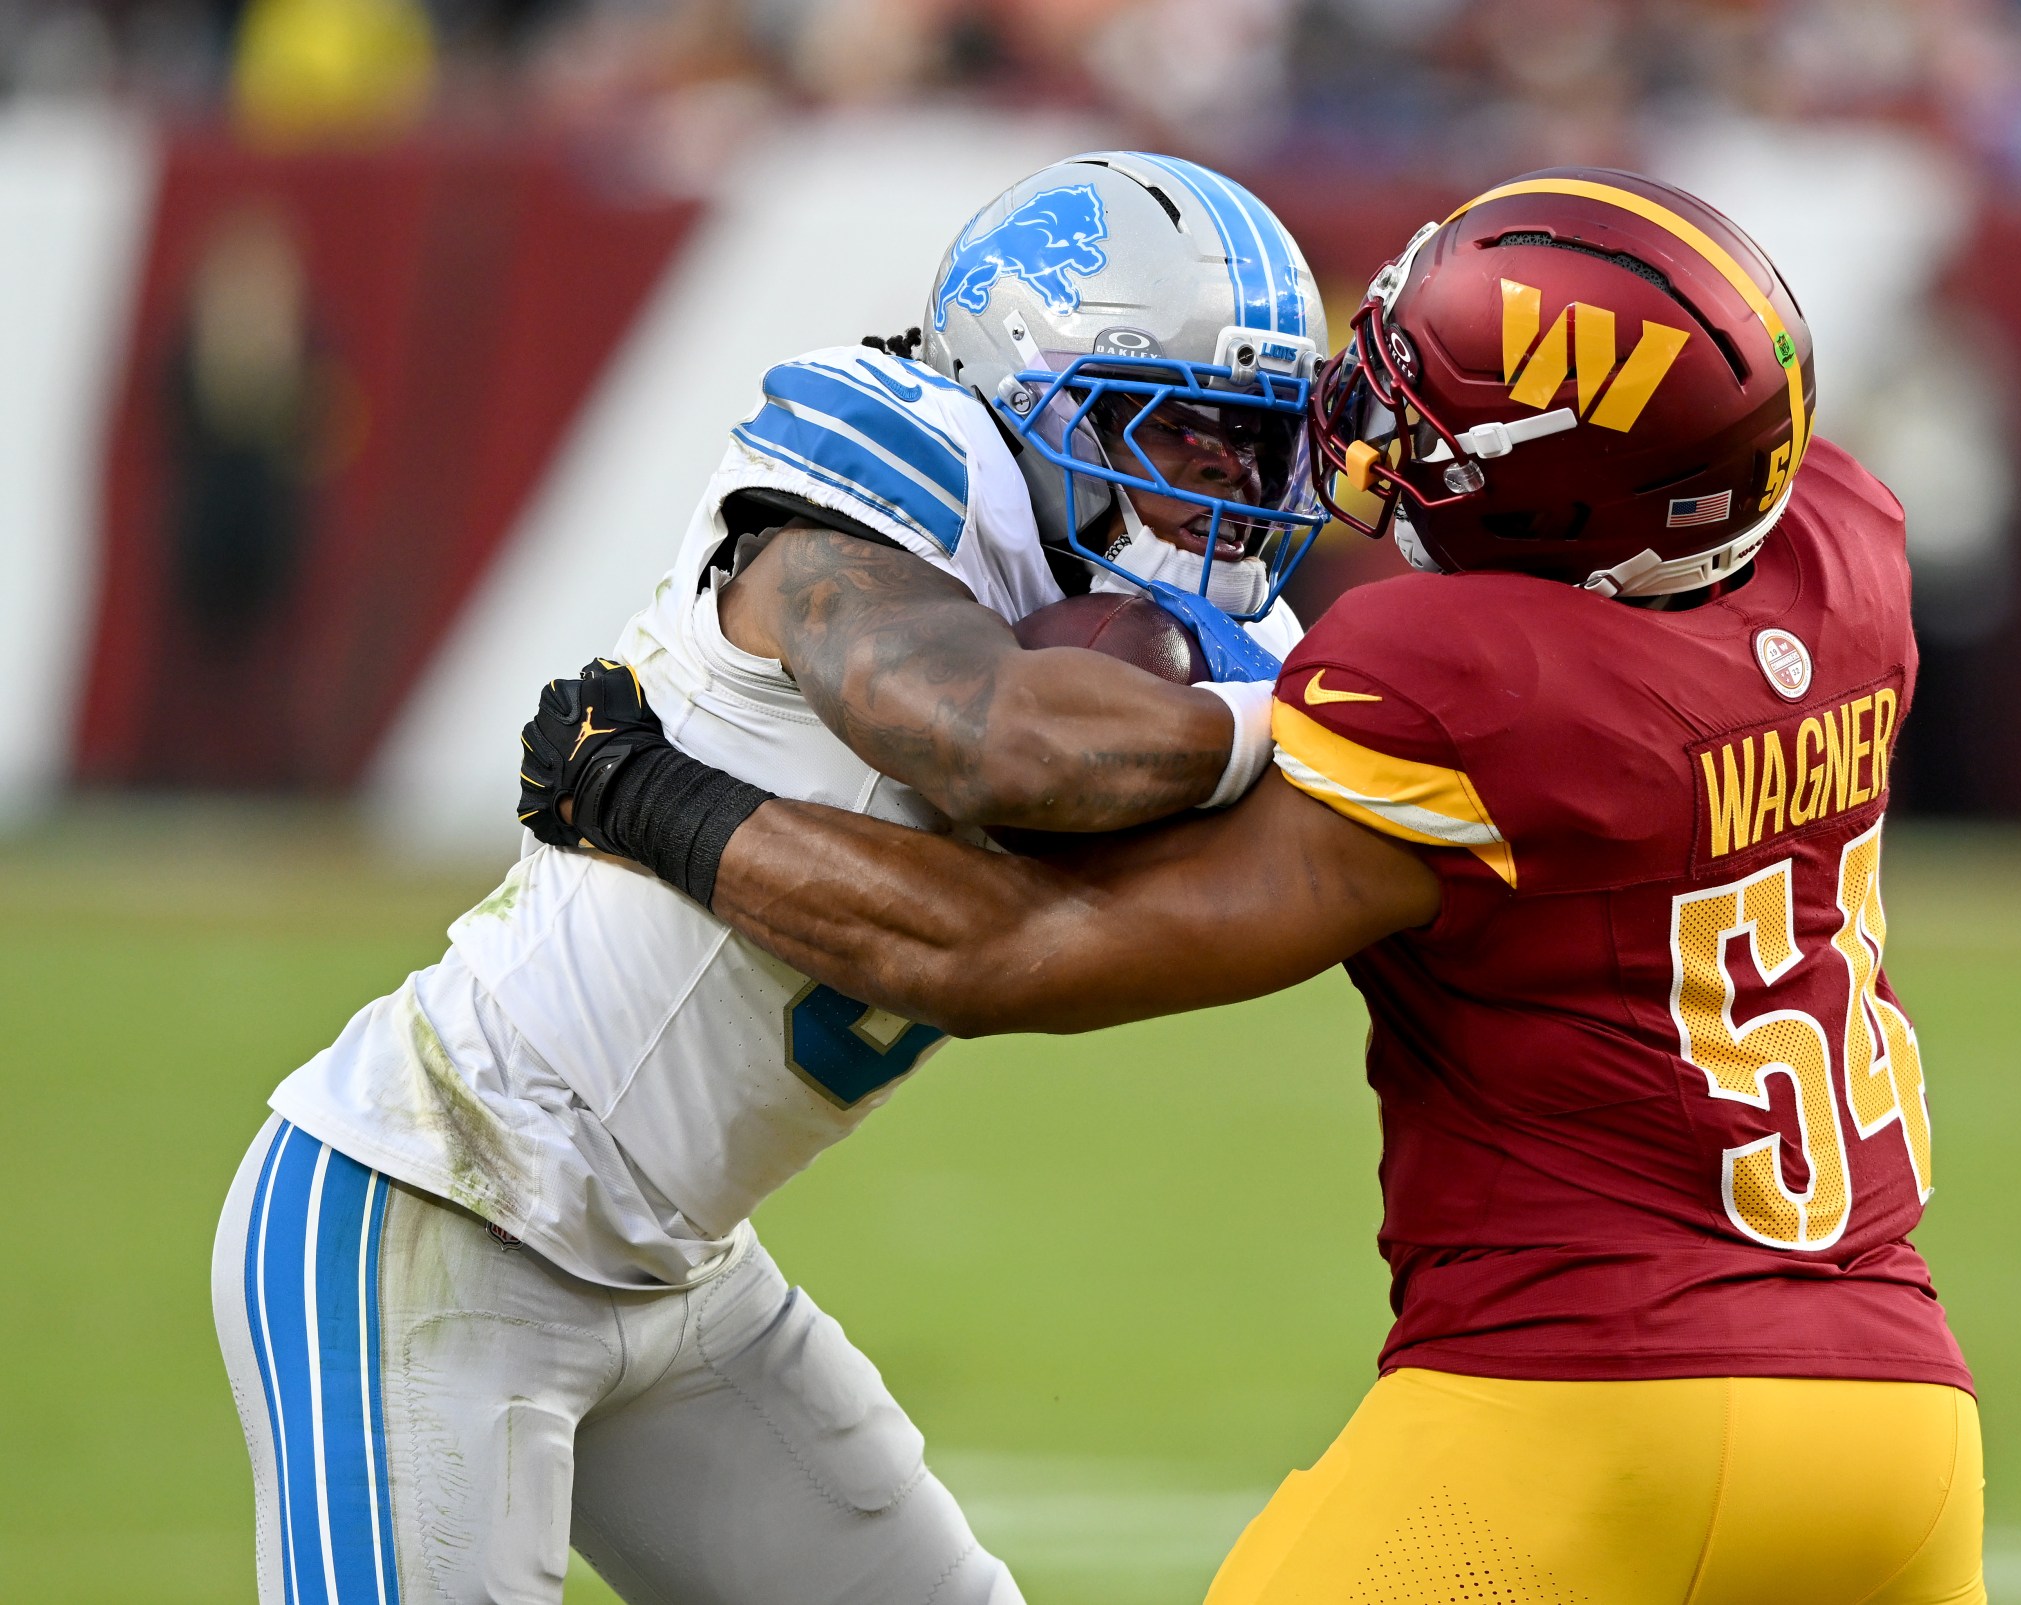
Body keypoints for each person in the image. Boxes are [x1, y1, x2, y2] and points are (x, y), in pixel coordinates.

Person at [524, 169, 1984, 1603]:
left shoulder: (1460, 682)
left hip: (1585, 1401)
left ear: (1551, 493)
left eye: (1438, 413)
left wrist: (641, 791)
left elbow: (1017, 949)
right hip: (1902, 1429)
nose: (1385, 423)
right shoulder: (1840, 556)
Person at [210, 151, 1330, 1605]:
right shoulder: (885, 489)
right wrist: (1318, 725)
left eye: (1256, 445)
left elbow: (1028, 944)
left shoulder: (1217, 645)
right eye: (1187, 435)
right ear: (1033, 382)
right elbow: (1002, 746)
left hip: (677, 1270)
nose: (1227, 492)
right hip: (433, 1205)